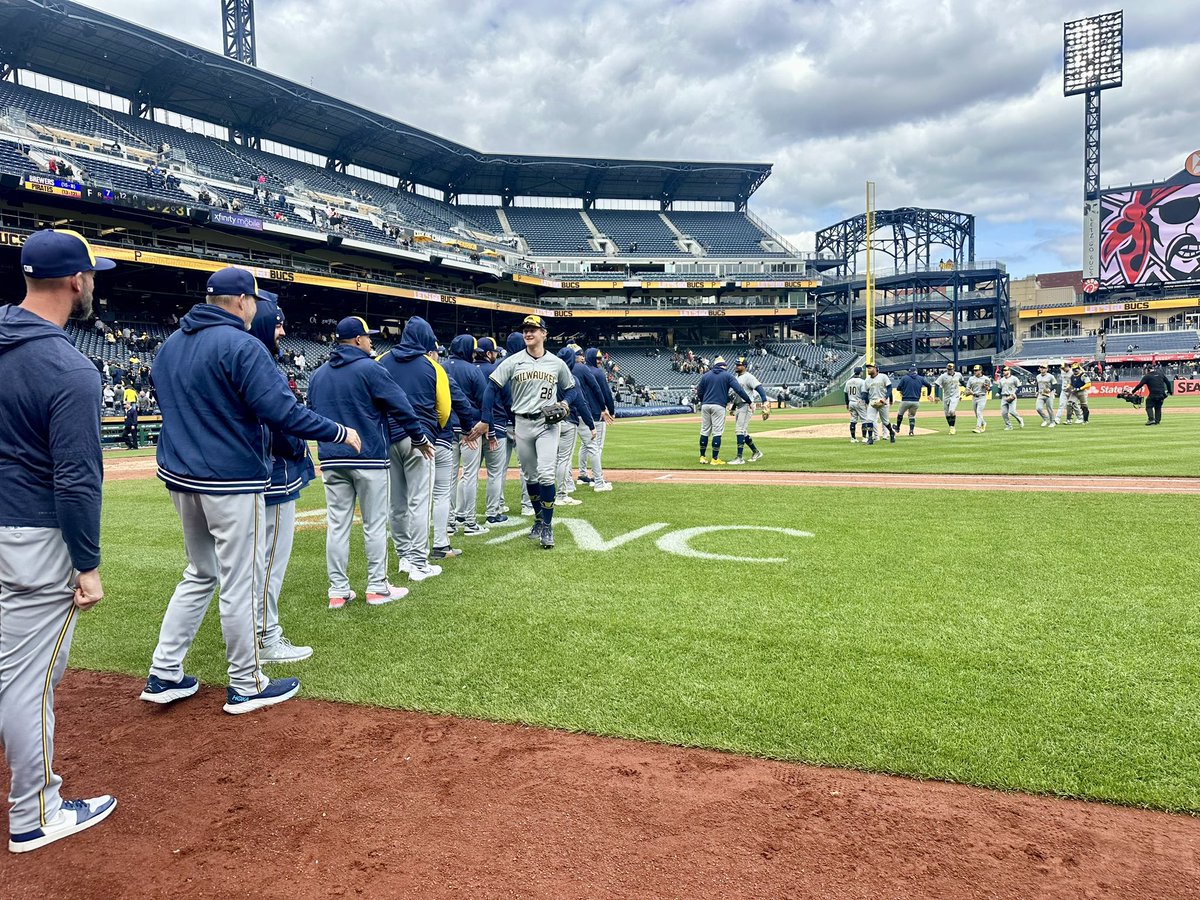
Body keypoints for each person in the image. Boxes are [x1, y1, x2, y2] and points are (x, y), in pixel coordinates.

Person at [140, 267, 361, 716]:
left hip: (180, 475)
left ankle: (164, 672)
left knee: (200, 572)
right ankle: (246, 683)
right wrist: (338, 431)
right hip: (231, 479)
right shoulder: (242, 345)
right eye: (256, 302)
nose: (257, 309)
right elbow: (281, 411)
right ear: (242, 300)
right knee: (238, 580)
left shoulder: (170, 345)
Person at [0, 230, 116, 853]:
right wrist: (87, 564)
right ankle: (34, 813)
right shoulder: (69, 366)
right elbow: (76, 479)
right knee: (28, 679)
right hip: (31, 531)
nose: (93, 282)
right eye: (92, 274)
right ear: (76, 281)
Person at [308, 316, 426, 609]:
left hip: (332, 458)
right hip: (369, 457)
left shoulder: (318, 375)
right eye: (368, 337)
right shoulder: (370, 368)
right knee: (374, 524)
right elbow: (402, 406)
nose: (371, 341)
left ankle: (338, 591)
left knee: (337, 526)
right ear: (358, 340)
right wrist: (419, 438)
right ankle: (377, 588)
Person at [247, 296, 317, 662]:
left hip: (253, 474)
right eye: (277, 324)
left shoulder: (247, 356)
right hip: (274, 474)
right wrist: (297, 447)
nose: (283, 331)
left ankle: (256, 633)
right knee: (269, 563)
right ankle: (265, 637)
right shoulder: (257, 361)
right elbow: (281, 422)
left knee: (251, 564)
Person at [377, 317, 471, 579]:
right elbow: (444, 409)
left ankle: (404, 557)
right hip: (420, 439)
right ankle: (419, 562)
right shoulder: (432, 366)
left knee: (396, 503)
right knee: (419, 501)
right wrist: (428, 430)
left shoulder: (381, 361)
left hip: (387, 438)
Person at [484, 315, 577, 548]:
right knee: (530, 477)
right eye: (526, 329)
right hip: (522, 423)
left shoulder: (556, 363)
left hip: (547, 424)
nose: (528, 333)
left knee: (546, 474)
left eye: (533, 329)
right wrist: (486, 419)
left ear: (544, 333)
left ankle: (547, 525)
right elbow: (491, 387)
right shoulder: (513, 361)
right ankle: (538, 518)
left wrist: (565, 404)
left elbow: (572, 390)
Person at [444, 335, 491, 537]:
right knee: (470, 475)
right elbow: (483, 400)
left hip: (446, 428)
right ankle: (470, 522)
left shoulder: (441, 366)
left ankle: (448, 522)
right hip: (470, 429)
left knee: (448, 478)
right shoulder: (473, 370)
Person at [471, 337, 509, 526]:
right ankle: (493, 512)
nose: (495, 356)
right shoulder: (496, 370)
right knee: (495, 472)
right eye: (494, 353)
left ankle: (462, 514)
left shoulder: (469, 369)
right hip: (497, 426)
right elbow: (507, 399)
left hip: (472, 428)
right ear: (488, 354)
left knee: (469, 474)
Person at [554, 345, 596, 501]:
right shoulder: (572, 378)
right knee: (564, 459)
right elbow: (581, 404)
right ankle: (562, 493)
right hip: (568, 420)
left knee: (553, 459)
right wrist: (591, 425)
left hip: (549, 422)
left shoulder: (550, 375)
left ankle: (551, 492)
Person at [694, 357, 751, 464]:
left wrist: (704, 401)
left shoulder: (706, 375)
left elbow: (699, 391)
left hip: (705, 405)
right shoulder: (727, 376)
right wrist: (749, 401)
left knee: (704, 430)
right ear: (723, 366)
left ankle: (702, 456)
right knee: (717, 432)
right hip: (718, 405)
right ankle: (715, 459)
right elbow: (738, 390)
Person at [577, 347, 616, 491]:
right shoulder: (597, 372)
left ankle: (582, 474)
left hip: (582, 413)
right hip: (596, 413)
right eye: (598, 358)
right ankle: (596, 478)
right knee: (596, 447)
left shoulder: (579, 370)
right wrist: (610, 410)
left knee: (585, 445)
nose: (600, 361)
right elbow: (605, 392)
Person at [728, 356, 768, 464]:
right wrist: (733, 408)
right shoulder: (736, 377)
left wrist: (765, 401)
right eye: (736, 364)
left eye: (739, 365)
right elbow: (737, 395)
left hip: (746, 406)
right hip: (739, 406)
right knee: (744, 432)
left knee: (739, 430)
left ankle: (739, 458)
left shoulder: (748, 377)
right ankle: (756, 452)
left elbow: (759, 387)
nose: (736, 366)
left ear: (744, 366)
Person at [861, 363, 894, 444]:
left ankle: (891, 432)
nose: (868, 369)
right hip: (873, 402)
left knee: (885, 421)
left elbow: (889, 388)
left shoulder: (883, 376)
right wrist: (867, 402)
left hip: (883, 402)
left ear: (875, 368)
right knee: (869, 420)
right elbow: (864, 393)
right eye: (868, 368)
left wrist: (885, 398)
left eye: (870, 368)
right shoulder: (867, 380)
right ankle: (870, 439)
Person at [894, 365, 932, 437]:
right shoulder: (920, 378)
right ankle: (911, 431)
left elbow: (898, 388)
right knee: (911, 416)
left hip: (905, 400)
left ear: (909, 371)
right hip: (916, 401)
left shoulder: (905, 378)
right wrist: (928, 394)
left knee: (900, 414)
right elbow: (929, 385)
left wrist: (903, 389)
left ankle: (898, 428)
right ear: (916, 372)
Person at [933, 363, 964, 434]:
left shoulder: (958, 375)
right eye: (948, 369)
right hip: (946, 396)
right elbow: (937, 384)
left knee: (951, 411)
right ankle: (951, 427)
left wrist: (967, 388)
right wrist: (937, 396)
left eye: (950, 369)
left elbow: (962, 381)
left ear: (954, 369)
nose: (949, 371)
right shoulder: (943, 376)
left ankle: (952, 428)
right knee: (947, 414)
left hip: (955, 396)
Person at [997, 366, 1025, 431]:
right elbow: (999, 388)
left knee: (1012, 411)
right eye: (1003, 370)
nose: (1004, 371)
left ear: (1009, 371)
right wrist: (998, 393)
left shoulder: (1014, 378)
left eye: (1005, 370)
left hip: (1012, 396)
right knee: (1004, 413)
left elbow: (1019, 387)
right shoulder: (1001, 379)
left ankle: (1020, 419)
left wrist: (1015, 394)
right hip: (1004, 396)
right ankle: (1009, 426)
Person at [844, 366, 867, 443]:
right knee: (864, 420)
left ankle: (853, 438)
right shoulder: (862, 381)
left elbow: (845, 394)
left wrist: (847, 404)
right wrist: (864, 401)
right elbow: (864, 393)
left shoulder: (848, 381)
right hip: (859, 402)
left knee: (853, 420)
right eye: (862, 371)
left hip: (851, 402)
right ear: (860, 372)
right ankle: (864, 438)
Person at [966, 365, 991, 433]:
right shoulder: (971, 379)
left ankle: (978, 427)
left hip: (982, 396)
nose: (975, 371)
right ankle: (983, 423)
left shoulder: (986, 379)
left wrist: (987, 387)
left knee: (979, 412)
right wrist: (969, 392)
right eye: (974, 370)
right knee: (976, 413)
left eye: (976, 370)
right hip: (974, 397)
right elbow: (967, 388)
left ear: (980, 370)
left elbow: (989, 389)